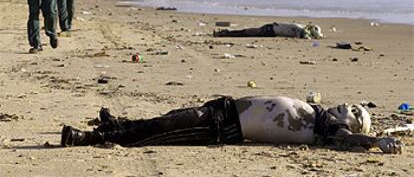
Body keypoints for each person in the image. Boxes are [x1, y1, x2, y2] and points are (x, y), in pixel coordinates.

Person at [61, 96, 403, 154]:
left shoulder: (327, 129)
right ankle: (118, 123)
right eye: (354, 105)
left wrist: (374, 144)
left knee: (161, 132)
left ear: (351, 127)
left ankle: (89, 138)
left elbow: (345, 140)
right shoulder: (317, 111)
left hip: (224, 128)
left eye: (356, 113)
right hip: (224, 107)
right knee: (165, 119)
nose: (349, 107)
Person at [213, 22, 324, 39]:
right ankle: (224, 33)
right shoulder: (300, 29)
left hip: (271, 29)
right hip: (270, 30)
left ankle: (224, 33)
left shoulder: (300, 27)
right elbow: (304, 36)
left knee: (246, 32)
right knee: (246, 33)